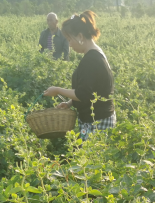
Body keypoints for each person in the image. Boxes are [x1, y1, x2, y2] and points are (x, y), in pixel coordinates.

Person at [42, 12, 115, 142]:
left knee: (91, 160)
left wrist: (58, 90)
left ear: (80, 36)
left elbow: (83, 94)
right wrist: (70, 103)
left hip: (97, 122)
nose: (69, 44)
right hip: (96, 119)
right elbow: (91, 90)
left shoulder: (91, 60)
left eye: (70, 39)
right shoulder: (95, 53)